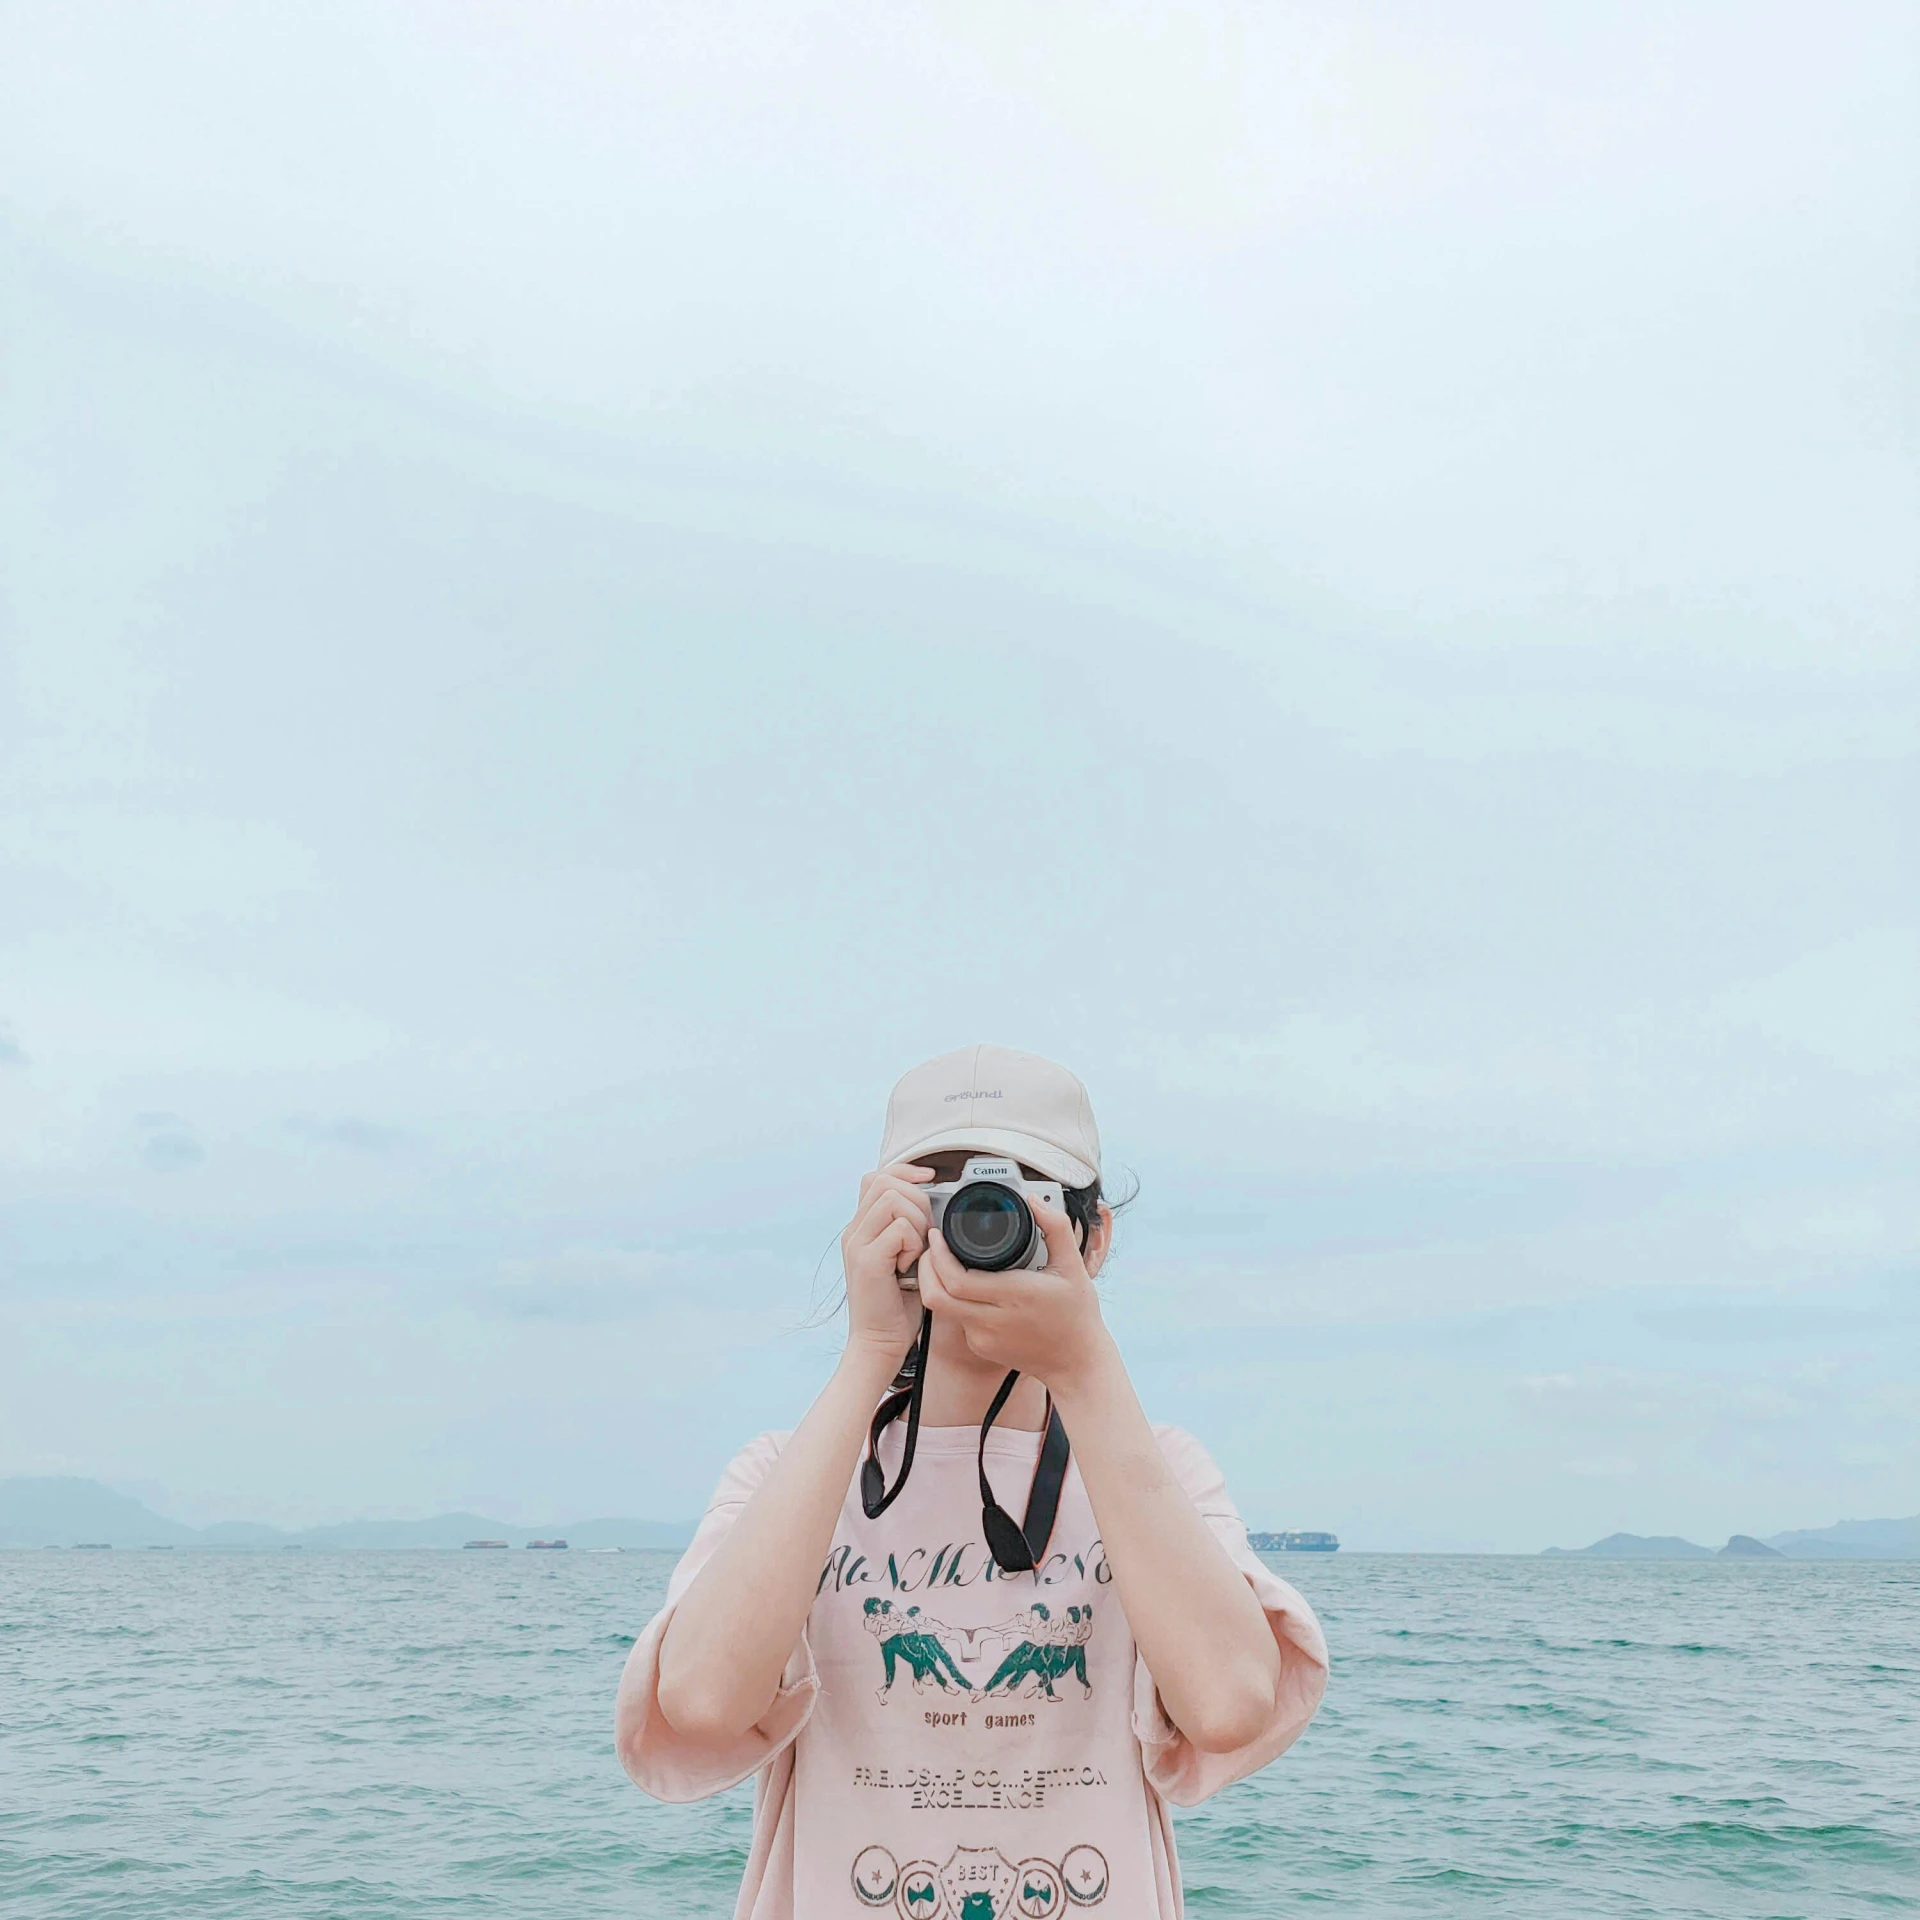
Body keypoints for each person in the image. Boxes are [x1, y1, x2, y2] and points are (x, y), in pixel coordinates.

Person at [617, 1044, 1328, 1918]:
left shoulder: (1159, 1469)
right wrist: (869, 1354)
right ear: (884, 1225)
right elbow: (701, 1701)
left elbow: (1228, 1707)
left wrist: (1087, 1370)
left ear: (1093, 1235)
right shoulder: (788, 1473)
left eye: (1018, 1197)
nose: (979, 1224)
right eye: (943, 1197)